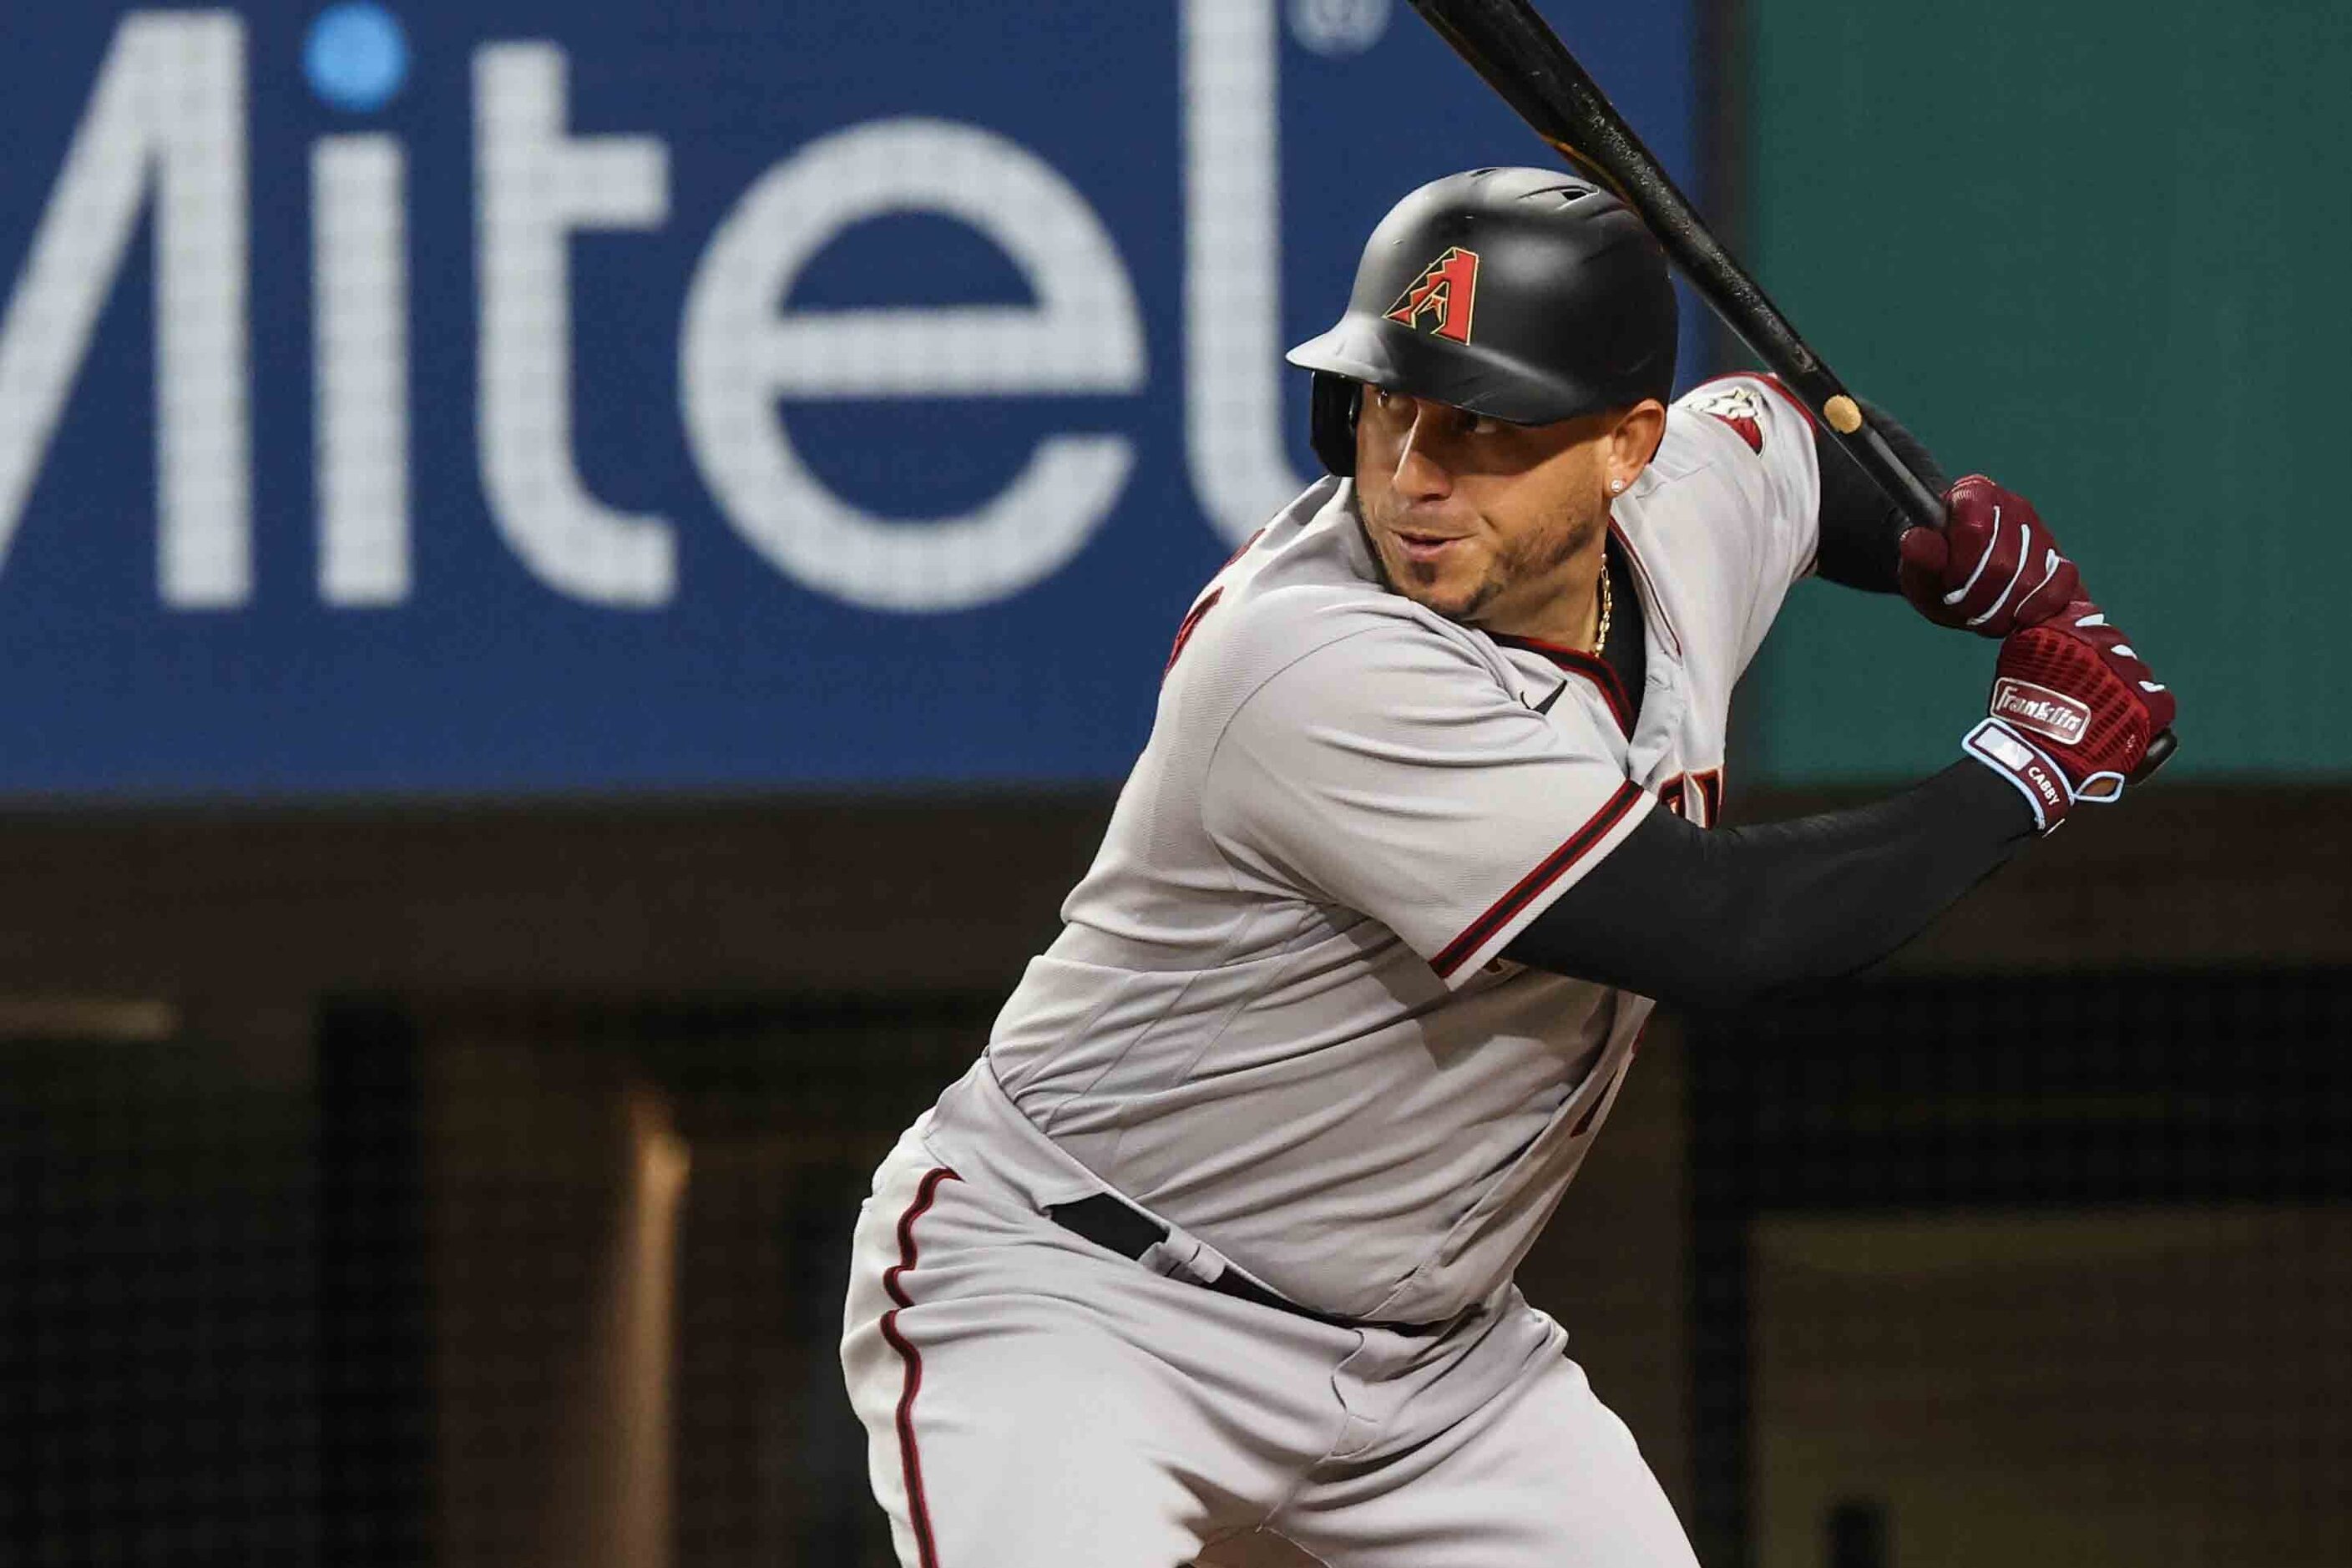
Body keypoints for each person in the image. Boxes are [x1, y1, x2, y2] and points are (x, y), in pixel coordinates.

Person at [838, 166, 2175, 1568]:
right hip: (1077, 1296)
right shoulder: (1311, 660)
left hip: (1434, 1368)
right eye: (1386, 408)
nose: (1417, 473)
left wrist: (1924, 536)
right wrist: (2026, 762)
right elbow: (1721, 930)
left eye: (1484, 428)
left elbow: (1787, 443)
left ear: (1622, 448)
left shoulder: (1680, 504)